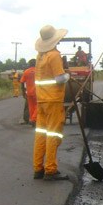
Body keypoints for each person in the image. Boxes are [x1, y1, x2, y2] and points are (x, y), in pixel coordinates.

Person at [33, 25, 70, 181]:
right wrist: (68, 75)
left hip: (41, 99)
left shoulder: (40, 56)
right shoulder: (54, 55)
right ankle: (50, 170)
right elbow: (59, 79)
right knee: (53, 134)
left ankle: (38, 169)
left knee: (41, 134)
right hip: (53, 100)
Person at [20, 58, 37, 126]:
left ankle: (31, 119)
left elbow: (22, 82)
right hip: (37, 92)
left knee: (31, 106)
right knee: (38, 106)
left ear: (29, 64)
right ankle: (34, 119)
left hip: (29, 92)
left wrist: (23, 92)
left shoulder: (26, 72)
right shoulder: (39, 71)